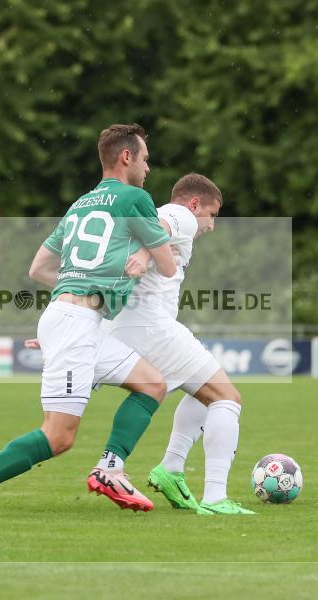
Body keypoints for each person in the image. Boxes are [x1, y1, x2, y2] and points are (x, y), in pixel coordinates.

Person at [0, 123, 177, 519]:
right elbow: (167, 265)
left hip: (76, 320)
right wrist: (147, 254)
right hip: (75, 323)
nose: (149, 168)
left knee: (153, 384)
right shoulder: (136, 198)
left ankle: (111, 468)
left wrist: (75, 291)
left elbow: (38, 268)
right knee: (59, 437)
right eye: (146, 159)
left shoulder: (81, 204)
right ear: (127, 157)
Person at [109, 173, 253, 514]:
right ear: (194, 204)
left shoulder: (147, 217)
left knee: (202, 392)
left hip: (126, 327)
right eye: (213, 215)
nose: (211, 225)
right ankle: (216, 497)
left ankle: (171, 469)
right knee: (228, 398)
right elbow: (163, 224)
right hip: (153, 329)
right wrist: (146, 255)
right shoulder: (182, 215)